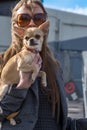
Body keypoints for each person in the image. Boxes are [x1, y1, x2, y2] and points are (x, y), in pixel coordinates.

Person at [0, 0, 87, 130]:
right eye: (23, 19)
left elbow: (57, 120)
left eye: (39, 18)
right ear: (15, 27)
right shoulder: (2, 62)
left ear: (44, 29)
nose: (31, 23)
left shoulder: (54, 66)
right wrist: (22, 85)